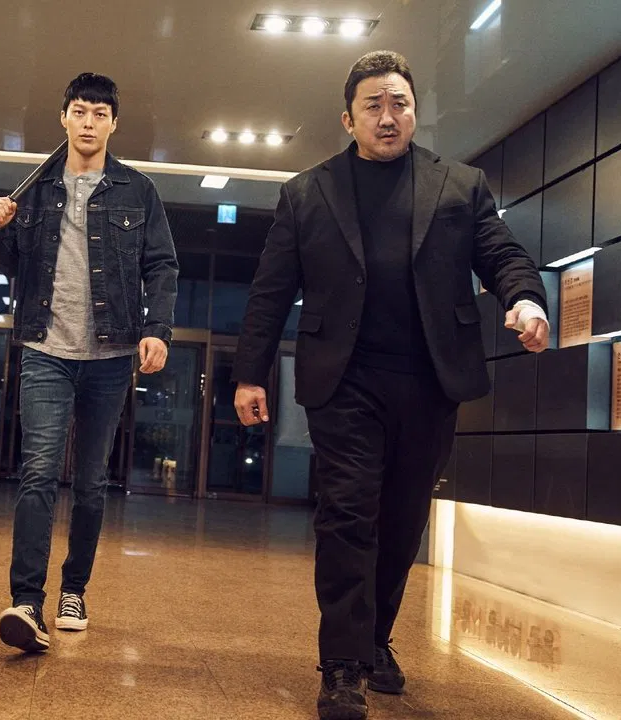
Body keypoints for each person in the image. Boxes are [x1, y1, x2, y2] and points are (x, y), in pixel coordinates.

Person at [231, 51, 548, 720]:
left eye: (399, 103)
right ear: (348, 119)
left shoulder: (459, 185)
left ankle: (374, 639)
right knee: (347, 513)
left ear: (415, 112)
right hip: (344, 379)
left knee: (402, 520)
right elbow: (270, 291)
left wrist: (524, 298)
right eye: (373, 105)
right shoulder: (307, 193)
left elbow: (501, 253)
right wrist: (249, 374)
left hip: (429, 380)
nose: (387, 116)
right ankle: (342, 666)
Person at [0, 72, 178, 653]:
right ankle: (26, 600)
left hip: (111, 355)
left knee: (91, 482)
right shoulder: (35, 189)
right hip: (46, 348)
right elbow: (12, 263)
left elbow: (162, 266)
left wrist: (157, 330)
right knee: (38, 474)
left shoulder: (137, 191)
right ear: (63, 117)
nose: (89, 122)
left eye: (99, 114)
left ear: (113, 124)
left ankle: (74, 590)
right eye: (80, 111)